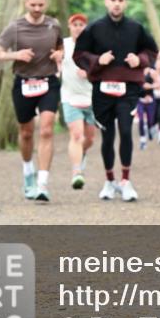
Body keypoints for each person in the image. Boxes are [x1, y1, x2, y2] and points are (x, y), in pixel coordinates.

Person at [74, 0, 159, 203]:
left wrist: (139, 60)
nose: (117, 3)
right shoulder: (94, 28)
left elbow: (152, 51)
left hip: (128, 88)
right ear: (106, 2)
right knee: (108, 135)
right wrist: (97, 61)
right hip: (102, 88)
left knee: (125, 129)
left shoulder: (136, 28)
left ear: (126, 3)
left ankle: (126, 181)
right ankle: (109, 181)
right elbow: (79, 54)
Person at [0, 0, 64, 202]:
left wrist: (59, 54)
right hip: (23, 84)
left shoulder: (54, 25)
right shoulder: (15, 27)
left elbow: (61, 47)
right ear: (25, 3)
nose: (37, 9)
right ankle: (27, 171)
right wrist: (16, 55)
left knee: (47, 130)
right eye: (33, 5)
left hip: (48, 82)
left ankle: (42, 183)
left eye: (41, 5)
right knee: (26, 132)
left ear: (46, 3)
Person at [60, 13, 96, 190]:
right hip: (70, 97)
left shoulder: (93, 45)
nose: (78, 27)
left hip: (91, 98)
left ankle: (81, 154)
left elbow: (104, 67)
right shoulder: (63, 45)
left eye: (81, 24)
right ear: (69, 26)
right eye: (75, 24)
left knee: (89, 139)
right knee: (76, 135)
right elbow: (54, 61)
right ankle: (76, 172)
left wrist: (89, 73)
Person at [137, 69, 157, 151]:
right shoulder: (136, 73)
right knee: (141, 120)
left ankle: (150, 130)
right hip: (140, 100)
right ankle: (142, 140)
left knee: (150, 120)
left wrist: (151, 86)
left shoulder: (151, 73)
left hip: (150, 101)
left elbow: (159, 83)